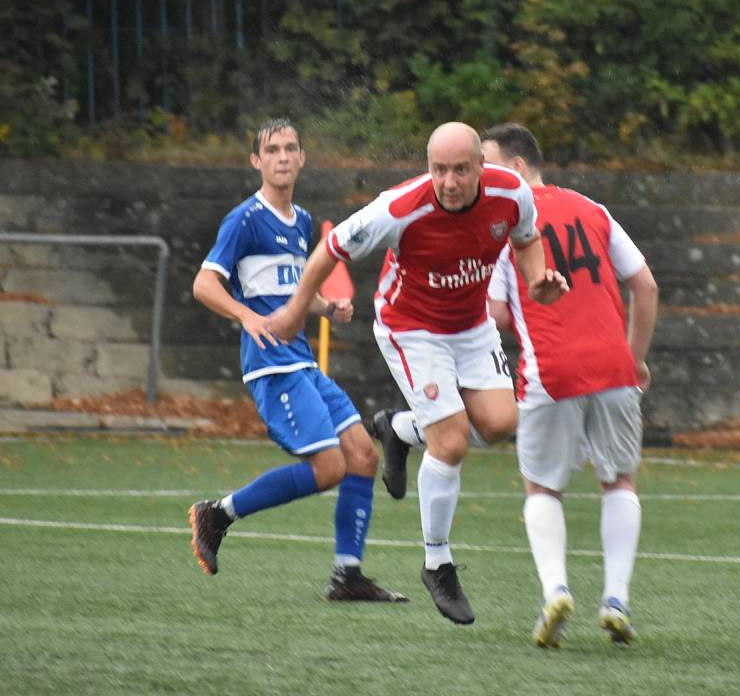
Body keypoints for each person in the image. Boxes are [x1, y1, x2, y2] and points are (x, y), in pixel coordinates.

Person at [264, 121, 568, 625]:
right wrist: (297, 310)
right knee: (450, 442)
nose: (448, 182)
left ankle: (399, 429)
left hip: (470, 327)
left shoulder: (511, 192)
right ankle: (437, 562)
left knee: (500, 423)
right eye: (439, 170)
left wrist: (538, 279)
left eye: (460, 171)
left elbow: (527, 238)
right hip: (411, 329)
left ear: (481, 167)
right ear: (428, 168)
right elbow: (329, 250)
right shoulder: (399, 207)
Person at [187, 117, 407, 604]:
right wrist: (246, 316)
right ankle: (217, 514)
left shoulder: (302, 220)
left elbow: (292, 294)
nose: (283, 156)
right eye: (272, 150)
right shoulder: (245, 219)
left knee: (363, 456)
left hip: (302, 361)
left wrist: (327, 308)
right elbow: (205, 284)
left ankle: (347, 576)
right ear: (257, 162)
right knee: (329, 466)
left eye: (291, 148)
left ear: (303, 158)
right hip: (272, 366)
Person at [482, 122, 658, 647]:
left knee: (542, 488)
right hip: (614, 368)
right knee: (619, 482)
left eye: (489, 166)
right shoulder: (594, 209)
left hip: (550, 371)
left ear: (515, 169)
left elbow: (494, 314)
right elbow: (645, 285)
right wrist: (636, 358)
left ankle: (556, 590)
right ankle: (616, 599)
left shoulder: (506, 228)